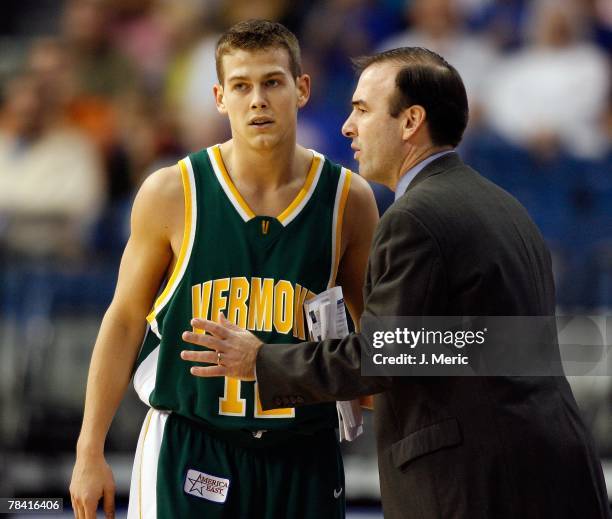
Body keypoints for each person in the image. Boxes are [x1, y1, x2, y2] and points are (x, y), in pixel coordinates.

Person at [182, 47, 612, 519]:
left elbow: (382, 354)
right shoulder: (506, 207)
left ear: (410, 122)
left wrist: (261, 360)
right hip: (558, 468)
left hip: (474, 484)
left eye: (362, 110)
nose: (348, 127)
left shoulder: (415, 217)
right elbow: (479, 348)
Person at [69, 20, 379, 519]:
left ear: (302, 89)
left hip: (303, 450)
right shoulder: (172, 191)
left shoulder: (349, 200)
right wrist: (88, 451)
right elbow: (124, 320)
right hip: (192, 445)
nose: (257, 99)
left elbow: (369, 333)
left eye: (272, 82)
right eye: (241, 86)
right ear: (219, 97)